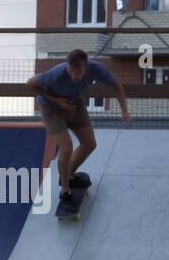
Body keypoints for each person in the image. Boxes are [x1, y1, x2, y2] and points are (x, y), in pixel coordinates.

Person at [27, 49, 131, 212]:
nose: (74, 76)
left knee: (90, 144)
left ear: (86, 67)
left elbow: (116, 86)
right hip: (51, 109)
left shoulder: (96, 69)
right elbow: (31, 83)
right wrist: (57, 101)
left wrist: (124, 111)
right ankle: (65, 191)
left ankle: (67, 175)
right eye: (71, 72)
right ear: (67, 67)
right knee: (67, 148)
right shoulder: (56, 74)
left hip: (75, 104)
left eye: (79, 73)